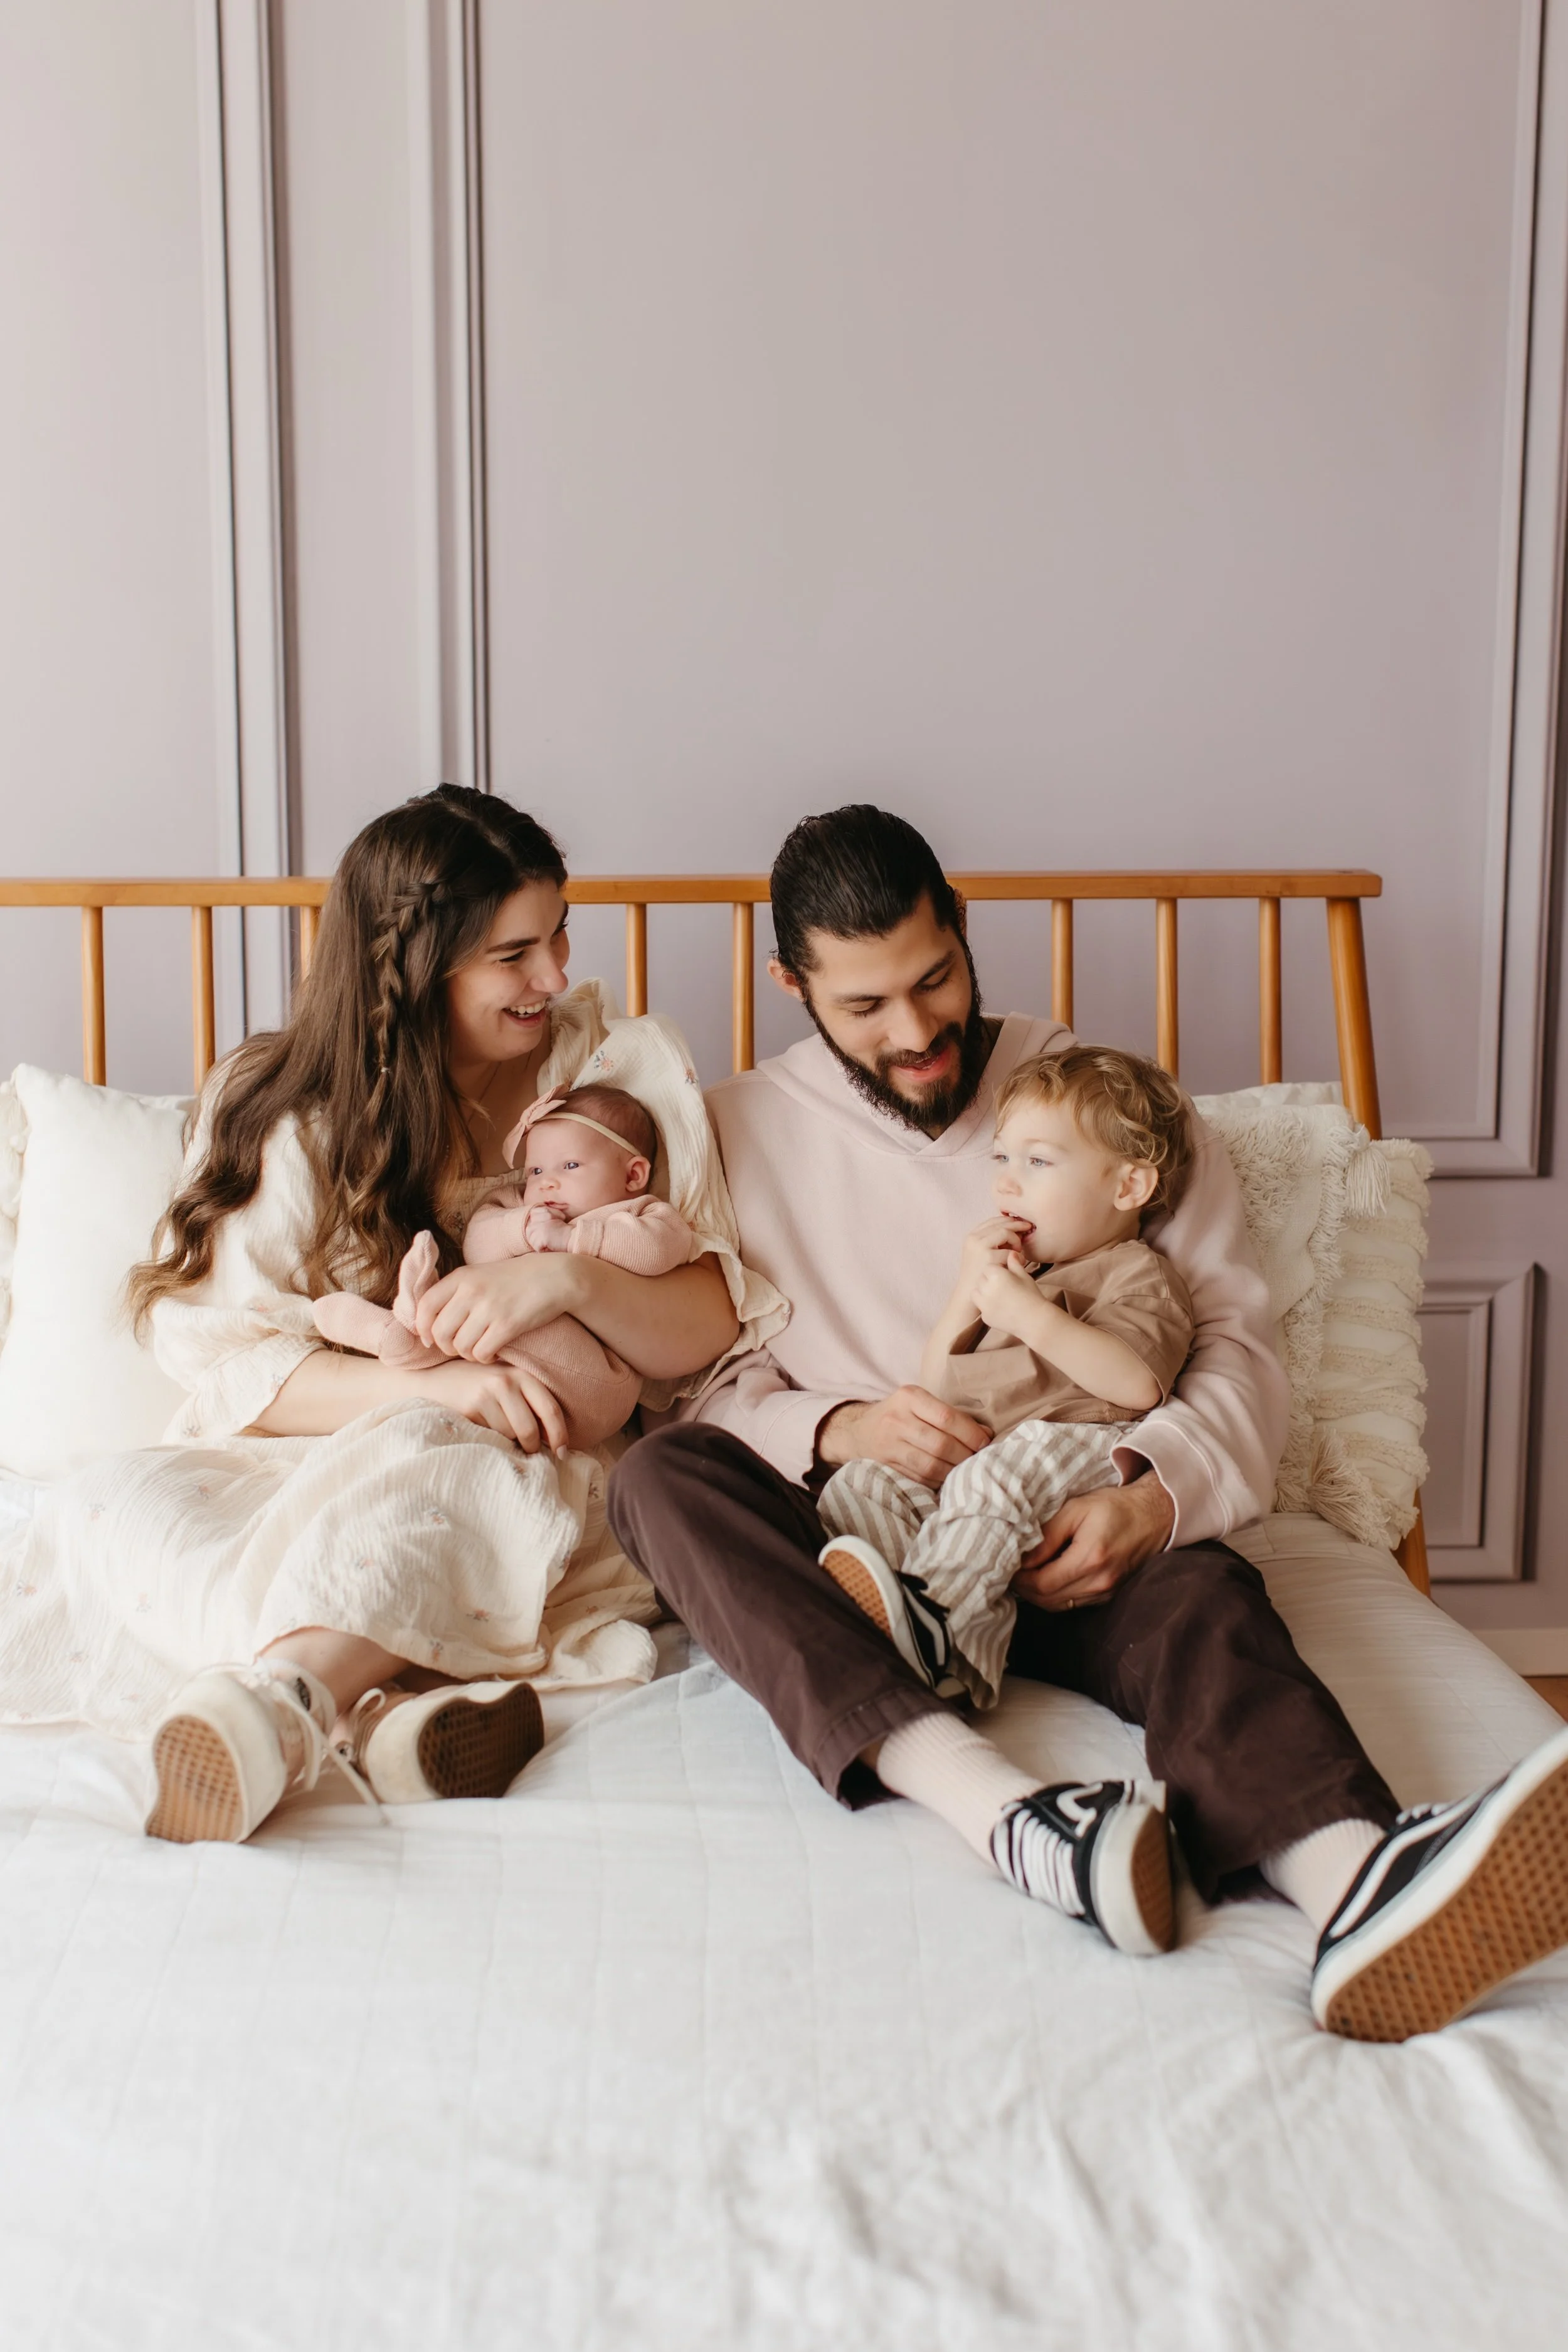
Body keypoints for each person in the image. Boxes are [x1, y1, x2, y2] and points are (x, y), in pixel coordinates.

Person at [609, 803, 1568, 2040]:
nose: (913, 1033)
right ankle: (1001, 1812)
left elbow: (1233, 1349)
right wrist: (842, 1426)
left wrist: (1148, 1492)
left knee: (1208, 1604)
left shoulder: (1115, 1112)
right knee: (658, 1475)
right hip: (861, 1547)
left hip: (1068, 1517)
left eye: (934, 979)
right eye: (862, 1008)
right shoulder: (730, 1133)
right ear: (790, 984)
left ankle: (1355, 1879)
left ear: (960, 930)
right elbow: (704, 1379)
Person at [0, 787, 747, 1848]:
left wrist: (562, 1284)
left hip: (530, 1454)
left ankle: (284, 1707)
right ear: (416, 971)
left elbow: (709, 1323)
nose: (556, 976)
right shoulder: (289, 1111)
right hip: (312, 1444)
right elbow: (232, 1367)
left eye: (557, 934)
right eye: (513, 955)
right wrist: (433, 1379)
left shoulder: (610, 1083)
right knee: (118, 1504)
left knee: (437, 1471)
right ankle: (392, 1719)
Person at [817, 1042, 1195, 1713]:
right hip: (991, 1461)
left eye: (1038, 1162)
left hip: (1080, 1444)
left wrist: (1028, 1315)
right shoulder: (1021, 1278)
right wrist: (968, 1292)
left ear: (1128, 1187)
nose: (1006, 1184)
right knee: (866, 1482)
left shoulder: (1136, 1271)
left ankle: (947, 1642)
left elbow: (1138, 1386)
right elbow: (934, 1387)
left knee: (994, 1478)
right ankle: (905, 1628)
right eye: (1002, 1158)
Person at [312, 1081, 702, 1450]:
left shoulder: (636, 1213)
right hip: (494, 1363)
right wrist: (521, 1229)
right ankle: (399, 1333)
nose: (547, 1184)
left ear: (633, 1175)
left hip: (594, 1380)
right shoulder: (519, 1208)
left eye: (570, 1167)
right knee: (459, 1327)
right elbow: (479, 1246)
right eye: (536, 1171)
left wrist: (573, 1240)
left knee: (488, 1326)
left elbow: (658, 1250)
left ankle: (412, 1330)